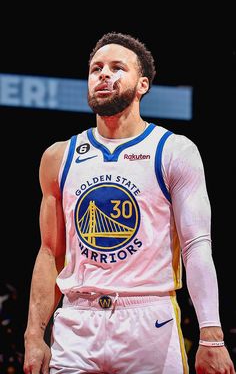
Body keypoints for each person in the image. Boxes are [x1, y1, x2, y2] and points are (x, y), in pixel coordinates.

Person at [23, 32, 235, 374]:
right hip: (77, 321)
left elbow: (196, 246)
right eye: (96, 68)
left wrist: (211, 334)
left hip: (150, 320)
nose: (103, 74)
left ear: (143, 85)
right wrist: (34, 334)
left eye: (117, 67)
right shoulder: (58, 157)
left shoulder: (174, 150)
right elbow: (49, 252)